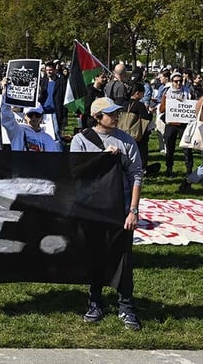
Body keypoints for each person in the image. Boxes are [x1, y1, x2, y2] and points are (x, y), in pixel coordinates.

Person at [70, 97, 142, 331]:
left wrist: (133, 210)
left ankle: (126, 306)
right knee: (95, 256)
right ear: (97, 117)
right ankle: (95, 301)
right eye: (111, 113)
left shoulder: (127, 141)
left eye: (117, 113)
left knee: (123, 258)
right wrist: (102, 157)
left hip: (119, 208)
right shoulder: (81, 140)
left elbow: (136, 176)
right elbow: (75, 172)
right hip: (92, 207)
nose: (116, 116)